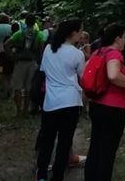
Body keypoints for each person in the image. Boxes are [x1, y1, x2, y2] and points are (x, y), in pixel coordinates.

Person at [35, 19, 85, 181]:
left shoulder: (49, 49)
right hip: (70, 101)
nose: (82, 34)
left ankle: (41, 173)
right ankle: (57, 175)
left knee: (47, 140)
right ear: (72, 33)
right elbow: (82, 76)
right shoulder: (77, 54)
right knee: (64, 141)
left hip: (51, 102)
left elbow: (43, 71)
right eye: (80, 31)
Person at [85, 24, 125, 181]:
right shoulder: (114, 54)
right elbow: (113, 75)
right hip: (112, 108)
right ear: (118, 38)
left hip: (96, 104)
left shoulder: (98, 51)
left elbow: (85, 72)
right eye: (124, 37)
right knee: (108, 150)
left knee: (96, 146)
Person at [5, 13, 47, 116]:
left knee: (18, 87)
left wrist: (11, 56)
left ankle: (18, 110)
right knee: (29, 88)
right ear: (34, 23)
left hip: (20, 62)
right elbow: (42, 50)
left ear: (25, 22)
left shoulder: (19, 33)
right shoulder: (39, 35)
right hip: (33, 63)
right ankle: (25, 111)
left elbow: (6, 44)